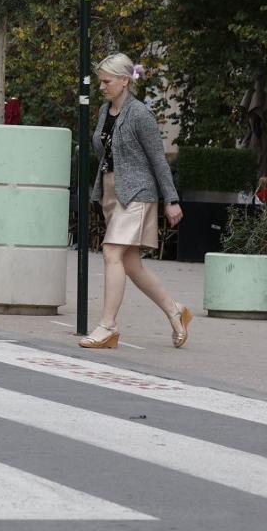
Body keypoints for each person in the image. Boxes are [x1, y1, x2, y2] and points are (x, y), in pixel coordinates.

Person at [78, 53, 190, 349]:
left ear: (125, 81)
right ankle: (174, 310)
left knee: (111, 252)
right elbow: (105, 154)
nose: (101, 86)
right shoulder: (105, 110)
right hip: (111, 193)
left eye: (106, 81)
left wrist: (172, 199)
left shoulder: (140, 113)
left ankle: (108, 326)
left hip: (138, 193)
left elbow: (158, 159)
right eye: (100, 81)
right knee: (131, 264)